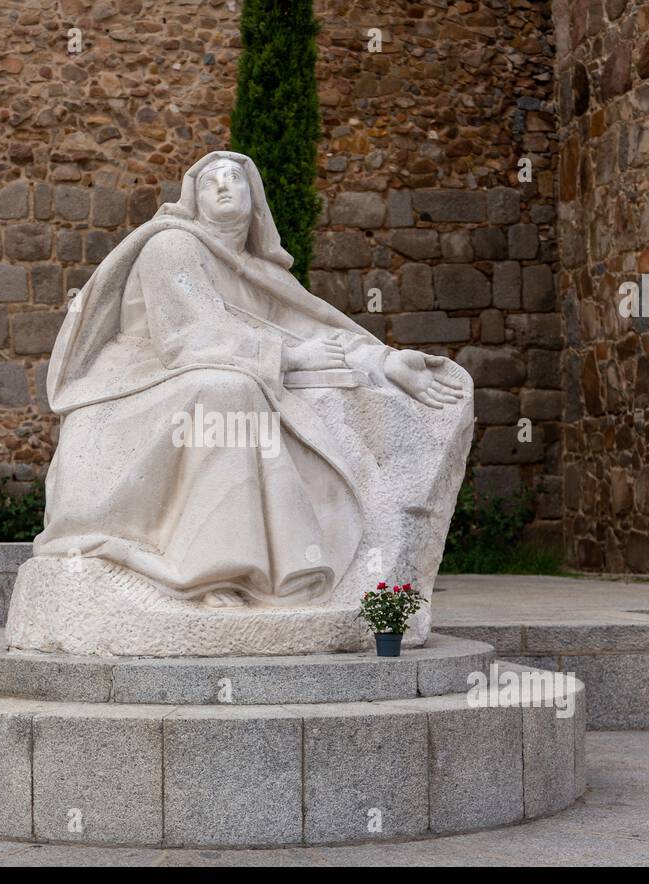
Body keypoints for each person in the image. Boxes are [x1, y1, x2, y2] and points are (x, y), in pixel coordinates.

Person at [35, 151, 471, 608]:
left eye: (234, 179)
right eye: (210, 182)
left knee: (238, 388)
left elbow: (313, 329)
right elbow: (189, 339)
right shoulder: (172, 246)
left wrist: (384, 362)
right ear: (194, 200)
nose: (223, 186)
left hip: (201, 375)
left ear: (254, 198)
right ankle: (209, 572)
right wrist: (291, 358)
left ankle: (267, 572)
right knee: (229, 390)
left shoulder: (260, 274)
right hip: (139, 383)